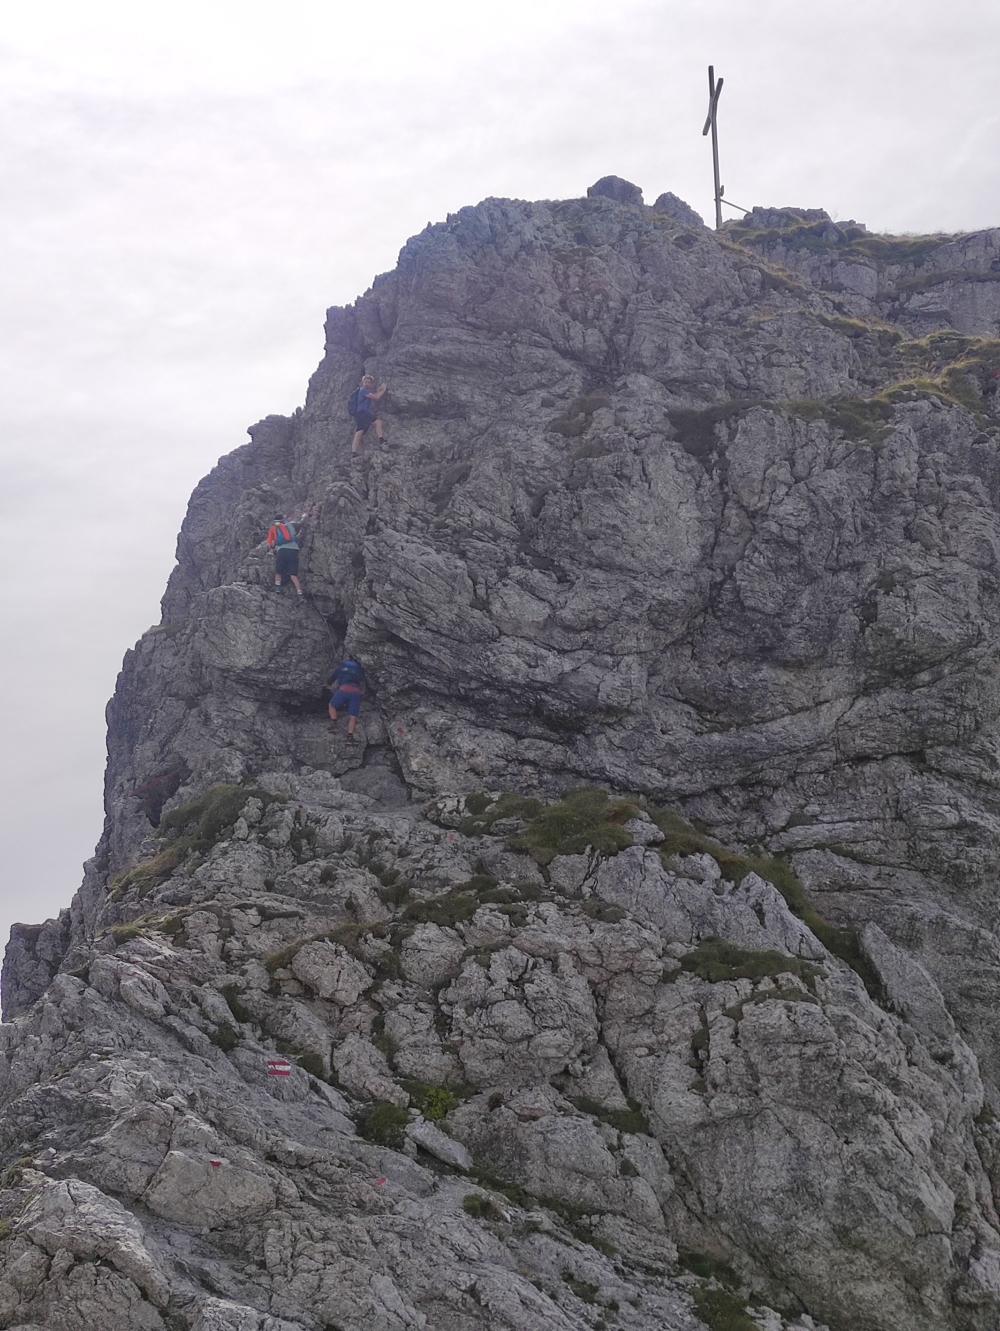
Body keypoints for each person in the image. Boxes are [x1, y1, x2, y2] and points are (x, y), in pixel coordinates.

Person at [267, 511, 309, 602]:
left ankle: (277, 587)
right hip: (293, 551)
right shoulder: (291, 524)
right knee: (293, 574)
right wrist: (304, 516)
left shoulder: (274, 528)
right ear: (283, 518)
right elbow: (301, 523)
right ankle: (300, 595)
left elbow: (272, 544)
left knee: (279, 571)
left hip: (282, 551)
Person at [327, 658, 366, 743]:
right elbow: (362, 680)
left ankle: (334, 724)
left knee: (332, 705)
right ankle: (349, 737)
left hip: (344, 689)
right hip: (356, 692)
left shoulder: (341, 668)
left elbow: (332, 678)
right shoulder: (358, 670)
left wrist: (329, 684)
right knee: (353, 716)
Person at [350, 376, 387, 461]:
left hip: (360, 413)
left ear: (371, 383)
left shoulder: (365, 391)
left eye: (368, 382)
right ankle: (382, 440)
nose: (367, 384)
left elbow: (374, 397)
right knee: (378, 422)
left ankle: (354, 453)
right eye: (366, 382)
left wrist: (379, 391)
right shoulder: (363, 390)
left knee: (359, 432)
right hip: (364, 412)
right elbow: (376, 397)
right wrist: (383, 390)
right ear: (363, 383)